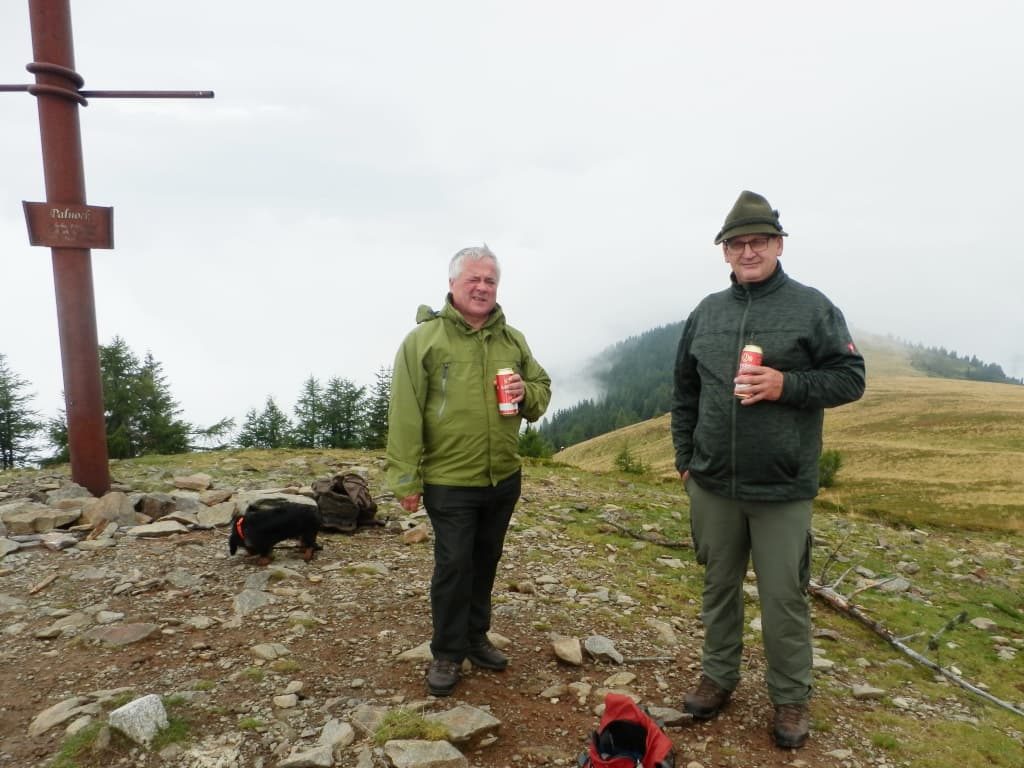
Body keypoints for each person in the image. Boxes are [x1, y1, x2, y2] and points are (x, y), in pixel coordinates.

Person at [670, 191, 865, 748]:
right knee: (718, 587)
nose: (748, 251)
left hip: (782, 487)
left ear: (779, 244)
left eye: (759, 241)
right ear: (725, 252)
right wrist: (685, 461)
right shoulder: (707, 312)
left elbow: (850, 378)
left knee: (783, 596)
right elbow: (684, 392)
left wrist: (786, 385)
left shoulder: (811, 307)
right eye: (737, 243)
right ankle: (719, 678)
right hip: (713, 484)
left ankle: (789, 699)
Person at [386, 244, 551, 697]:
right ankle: (446, 651)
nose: (482, 287)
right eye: (473, 280)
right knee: (454, 564)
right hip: (448, 478)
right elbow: (405, 411)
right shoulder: (424, 340)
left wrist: (524, 393)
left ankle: (477, 637)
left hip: (502, 477)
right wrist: (405, 478)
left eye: (490, 281)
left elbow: (540, 390)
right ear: (452, 285)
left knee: (485, 560)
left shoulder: (512, 339)